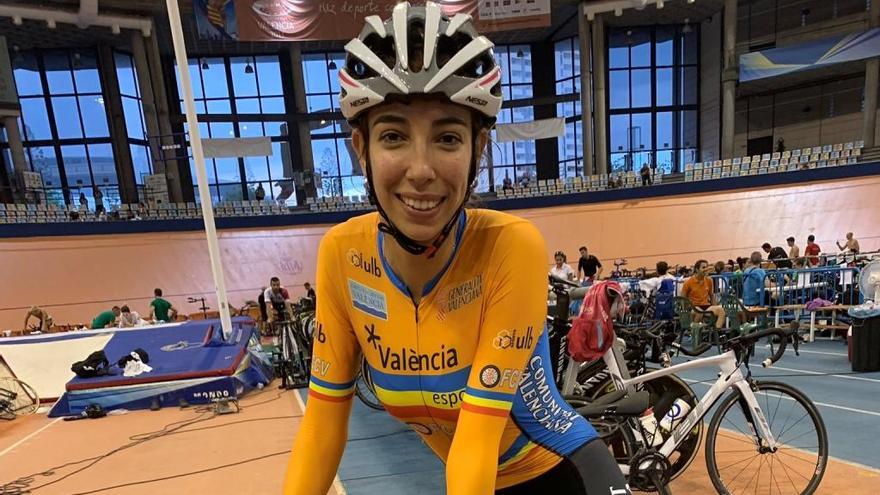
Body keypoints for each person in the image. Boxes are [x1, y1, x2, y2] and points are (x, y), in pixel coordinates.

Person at [284, 5, 628, 494]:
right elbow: (320, 428)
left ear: (478, 150)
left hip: (563, 474)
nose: (420, 169)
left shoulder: (511, 246)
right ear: (360, 148)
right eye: (394, 136)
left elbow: (477, 436)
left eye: (447, 137)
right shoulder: (341, 255)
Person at [681, 260, 725, 328]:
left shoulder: (709, 280)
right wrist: (685, 312)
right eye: (703, 267)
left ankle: (716, 332)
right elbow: (683, 298)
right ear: (697, 269)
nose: (706, 269)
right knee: (699, 312)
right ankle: (693, 332)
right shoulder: (688, 282)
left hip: (706, 306)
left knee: (721, 311)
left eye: (707, 267)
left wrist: (716, 306)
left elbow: (711, 295)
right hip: (694, 307)